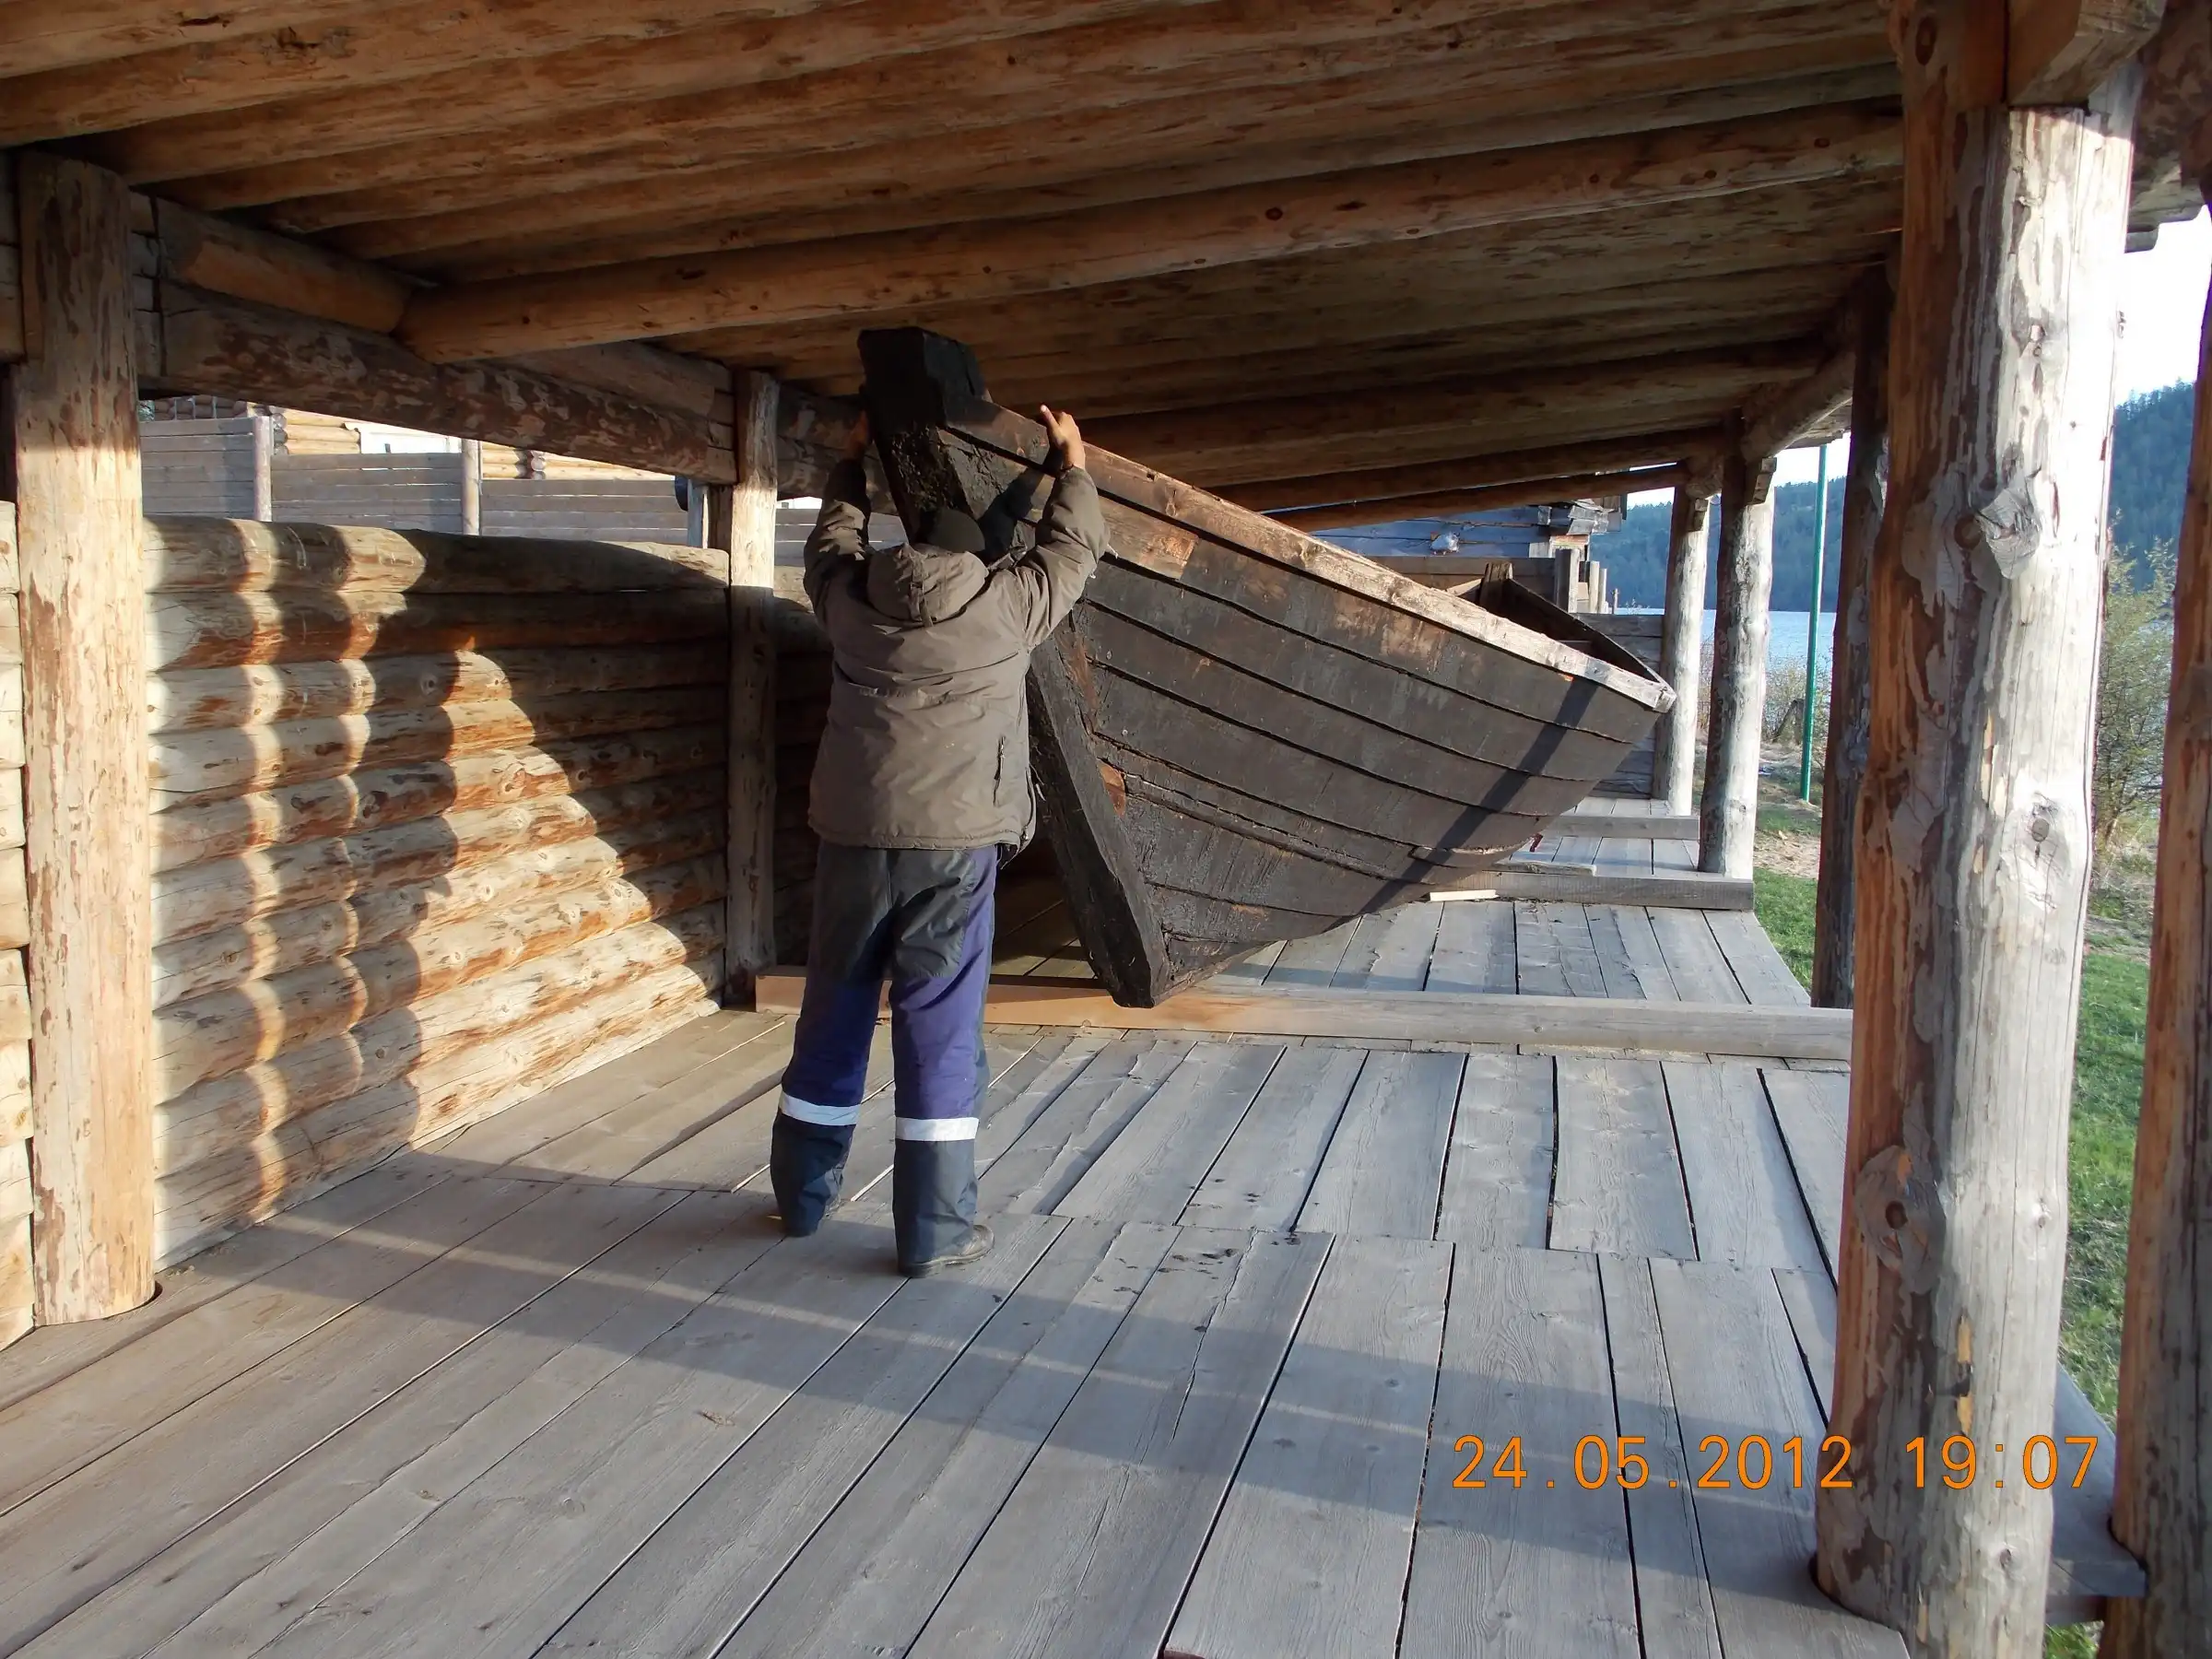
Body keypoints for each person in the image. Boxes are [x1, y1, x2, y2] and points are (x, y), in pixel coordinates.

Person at [772, 405, 1106, 1276]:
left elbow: (828, 546)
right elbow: (1072, 550)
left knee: (833, 1009)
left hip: (852, 842)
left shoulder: (851, 603)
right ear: (975, 561)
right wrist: (1072, 465)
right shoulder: (1007, 608)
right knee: (938, 1026)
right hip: (953, 853)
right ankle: (933, 1231)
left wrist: (849, 464)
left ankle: (801, 1201)